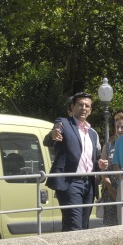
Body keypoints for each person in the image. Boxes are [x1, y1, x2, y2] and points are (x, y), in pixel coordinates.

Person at [44, 92, 101, 232]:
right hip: (70, 182)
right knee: (73, 225)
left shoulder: (92, 133)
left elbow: (95, 158)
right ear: (73, 107)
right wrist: (53, 134)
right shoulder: (63, 123)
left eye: (87, 106)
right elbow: (48, 140)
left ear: (90, 110)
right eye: (80, 105)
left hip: (89, 183)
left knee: (83, 225)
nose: (83, 108)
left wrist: (100, 163)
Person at [99, 113, 123, 225]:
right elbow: (103, 171)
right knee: (112, 227)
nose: (120, 130)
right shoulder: (108, 146)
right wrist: (112, 190)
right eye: (117, 127)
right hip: (111, 192)